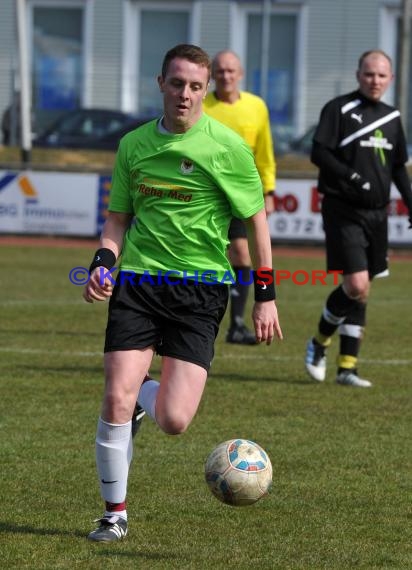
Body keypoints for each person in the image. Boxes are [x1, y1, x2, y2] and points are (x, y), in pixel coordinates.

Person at [83, 44, 282, 542]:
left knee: (174, 420)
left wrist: (266, 293)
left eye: (196, 86)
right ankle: (114, 514)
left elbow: (257, 222)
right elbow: (117, 219)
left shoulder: (227, 148)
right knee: (114, 396)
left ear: (206, 88)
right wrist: (104, 263)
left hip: (202, 291)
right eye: (177, 84)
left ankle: (147, 402)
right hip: (141, 283)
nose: (186, 95)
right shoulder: (133, 146)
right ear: (161, 84)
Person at [305, 49, 412, 388]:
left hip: (377, 214)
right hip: (343, 209)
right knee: (356, 284)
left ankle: (347, 368)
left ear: (391, 79)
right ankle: (319, 342)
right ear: (358, 74)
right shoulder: (338, 109)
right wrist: (352, 178)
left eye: (381, 75)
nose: (375, 80)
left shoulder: (392, 118)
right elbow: (318, 151)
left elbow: (397, 168)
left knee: (363, 290)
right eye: (369, 74)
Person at [203, 50, 276, 345]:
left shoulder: (256, 107)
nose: (226, 76)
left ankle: (236, 324)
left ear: (241, 73)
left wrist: (268, 190)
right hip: (207, 193)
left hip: (242, 194)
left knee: (243, 255)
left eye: (231, 71)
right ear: (211, 75)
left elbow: (265, 153)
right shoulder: (202, 104)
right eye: (220, 71)